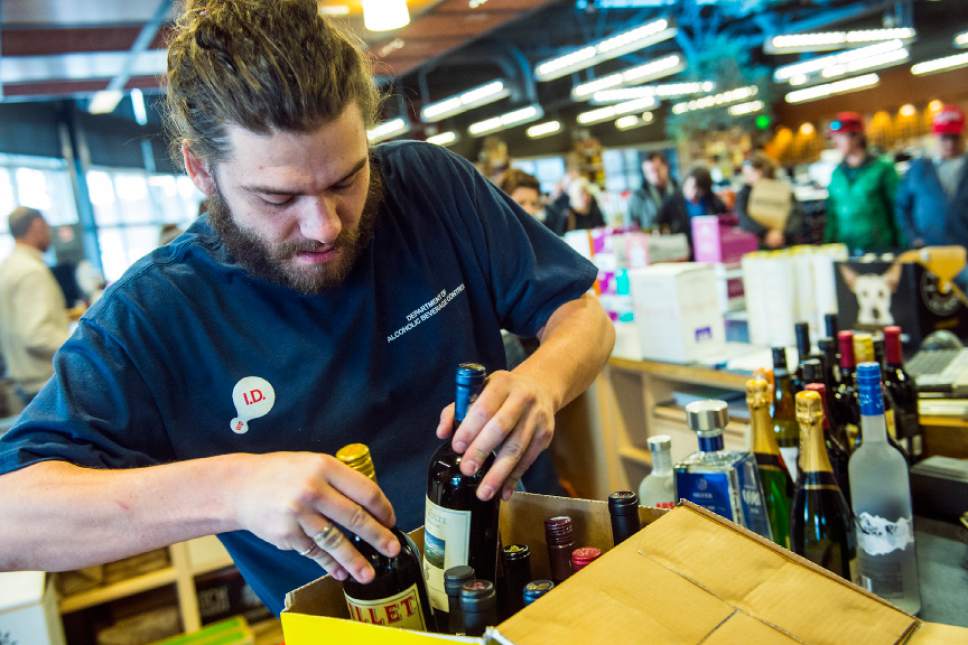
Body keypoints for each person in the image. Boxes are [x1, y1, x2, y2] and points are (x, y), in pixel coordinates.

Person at [0, 0, 613, 617]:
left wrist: (543, 380)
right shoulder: (155, 315)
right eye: (278, 196)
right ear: (200, 170)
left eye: (347, 179)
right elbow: (11, 519)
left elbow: (580, 313)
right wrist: (234, 489)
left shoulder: (432, 190)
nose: (324, 226)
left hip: (530, 588)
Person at [0, 207, 70, 408]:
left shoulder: (8, 266)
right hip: (46, 384)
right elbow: (37, 335)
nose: (49, 234)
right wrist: (84, 347)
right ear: (37, 227)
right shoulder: (31, 272)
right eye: (47, 228)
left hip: (24, 383)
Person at [823, 112, 900, 254]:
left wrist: (902, 249)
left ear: (857, 136)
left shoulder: (882, 169)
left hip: (880, 250)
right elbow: (832, 215)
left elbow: (898, 210)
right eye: (834, 138)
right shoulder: (837, 174)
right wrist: (829, 245)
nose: (835, 143)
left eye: (840, 137)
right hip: (846, 251)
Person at [896, 104, 968, 249]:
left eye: (955, 137)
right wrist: (913, 237)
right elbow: (902, 205)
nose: (950, 144)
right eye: (944, 138)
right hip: (931, 251)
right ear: (935, 137)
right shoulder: (918, 168)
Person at [655, 164, 727, 252]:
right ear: (684, 183)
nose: (693, 192)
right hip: (682, 248)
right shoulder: (672, 201)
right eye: (690, 187)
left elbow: (724, 220)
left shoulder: (713, 201)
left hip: (709, 247)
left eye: (698, 189)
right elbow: (657, 223)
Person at [735, 153, 796, 249]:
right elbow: (743, 218)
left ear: (761, 171)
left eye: (751, 173)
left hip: (784, 242)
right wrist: (766, 233)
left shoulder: (782, 189)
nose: (748, 177)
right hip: (757, 245)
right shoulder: (744, 193)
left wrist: (782, 234)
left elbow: (796, 215)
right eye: (746, 174)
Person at [627, 152, 676, 230]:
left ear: (666, 167)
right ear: (645, 174)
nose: (655, 174)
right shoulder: (637, 197)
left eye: (657, 169)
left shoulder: (681, 191)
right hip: (651, 240)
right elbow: (631, 227)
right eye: (650, 171)